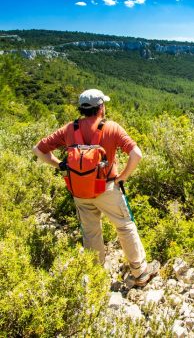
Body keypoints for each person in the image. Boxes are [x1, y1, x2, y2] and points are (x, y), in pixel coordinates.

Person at [32, 88, 159, 287]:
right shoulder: (112, 128)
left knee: (91, 233)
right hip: (106, 188)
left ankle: (96, 277)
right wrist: (121, 177)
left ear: (82, 109)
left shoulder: (68, 129)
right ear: (100, 107)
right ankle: (140, 273)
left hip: (80, 191)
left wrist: (60, 165)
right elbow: (137, 154)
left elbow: (38, 150)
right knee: (125, 226)